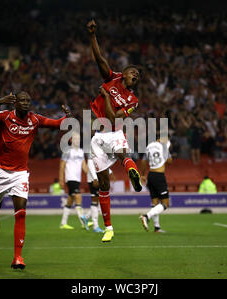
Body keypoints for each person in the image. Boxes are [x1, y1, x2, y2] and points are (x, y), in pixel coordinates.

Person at [0, 91, 71, 269]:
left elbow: (56, 124)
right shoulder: (5, 116)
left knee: (21, 212)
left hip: (20, 173)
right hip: (0, 171)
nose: (25, 103)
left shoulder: (34, 119)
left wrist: (67, 116)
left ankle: (18, 257)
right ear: (15, 103)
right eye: (22, 100)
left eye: (28, 101)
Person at [87, 19, 143, 242]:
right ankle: (108, 227)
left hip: (115, 132)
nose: (135, 76)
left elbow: (112, 118)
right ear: (124, 73)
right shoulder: (113, 78)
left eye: (137, 76)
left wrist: (107, 96)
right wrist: (92, 35)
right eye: (132, 73)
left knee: (123, 154)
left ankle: (133, 172)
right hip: (98, 138)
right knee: (103, 184)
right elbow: (100, 60)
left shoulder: (133, 100)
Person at [139, 136, 172, 233]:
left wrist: (143, 175)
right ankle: (146, 216)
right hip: (159, 176)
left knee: (155, 202)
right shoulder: (163, 147)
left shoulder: (149, 147)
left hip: (151, 175)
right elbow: (170, 161)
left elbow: (143, 161)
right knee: (165, 203)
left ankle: (157, 227)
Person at [59, 133, 89, 230]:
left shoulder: (81, 152)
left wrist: (92, 175)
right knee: (78, 196)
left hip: (77, 179)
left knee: (70, 200)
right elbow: (62, 166)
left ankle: (63, 223)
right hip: (70, 178)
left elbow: (84, 166)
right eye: (75, 138)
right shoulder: (67, 151)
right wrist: (61, 179)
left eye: (79, 139)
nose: (77, 140)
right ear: (71, 140)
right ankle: (83, 221)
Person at [80, 155, 105, 233]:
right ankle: (95, 226)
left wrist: (110, 172)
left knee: (99, 203)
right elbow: (90, 164)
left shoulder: (99, 151)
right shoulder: (92, 150)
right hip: (93, 180)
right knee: (95, 203)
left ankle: (86, 217)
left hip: (98, 179)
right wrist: (95, 178)